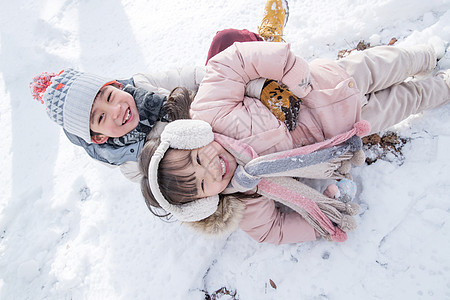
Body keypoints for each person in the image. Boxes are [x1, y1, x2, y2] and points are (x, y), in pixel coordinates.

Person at [138, 38, 450, 244]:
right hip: (346, 127)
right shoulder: (245, 195)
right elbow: (273, 230)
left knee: (387, 62)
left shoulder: (210, 110)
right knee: (405, 101)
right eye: (203, 185)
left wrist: (291, 74)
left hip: (324, 82)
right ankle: (443, 87)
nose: (211, 169)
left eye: (195, 159)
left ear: (190, 137)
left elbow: (231, 62)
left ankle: (424, 55)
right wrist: (318, 224)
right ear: (207, 201)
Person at [29, 0, 290, 181]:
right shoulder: (133, 162)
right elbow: (182, 184)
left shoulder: (139, 85)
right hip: (225, 145)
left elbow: (189, 76)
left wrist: (238, 81)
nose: (116, 109)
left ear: (115, 85)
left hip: (216, 103)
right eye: (100, 118)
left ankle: (266, 46)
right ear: (97, 137)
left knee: (226, 42)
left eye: (109, 97)